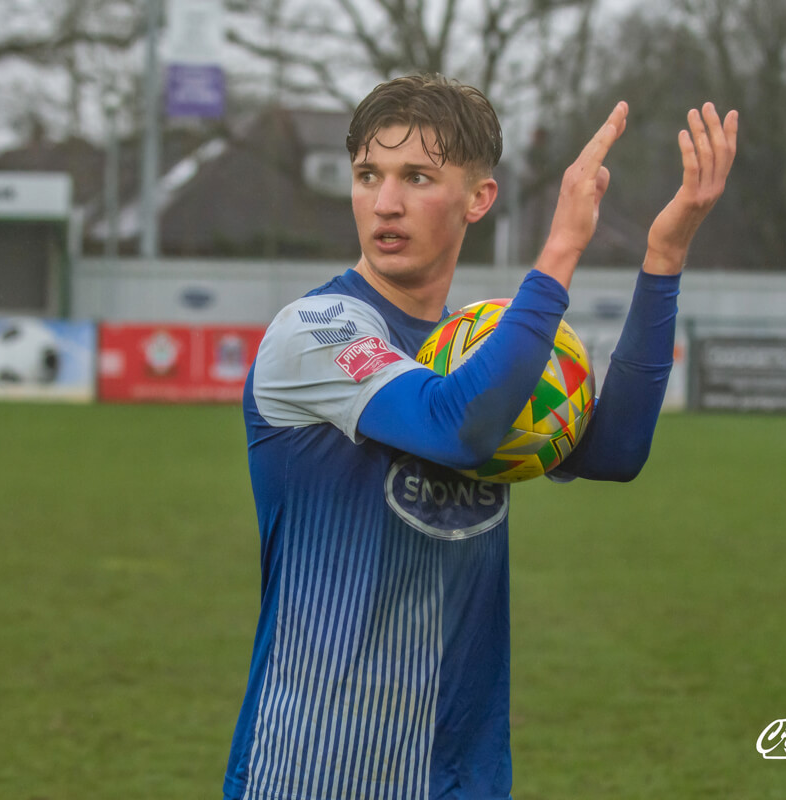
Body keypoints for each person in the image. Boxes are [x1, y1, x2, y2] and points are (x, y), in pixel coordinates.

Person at [224, 74, 738, 800]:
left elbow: (616, 453)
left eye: (418, 177)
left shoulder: (476, 352)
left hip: (460, 775)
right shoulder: (316, 332)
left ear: (479, 199)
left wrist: (664, 258)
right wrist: (561, 248)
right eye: (368, 174)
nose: (385, 201)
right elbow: (457, 426)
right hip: (315, 770)